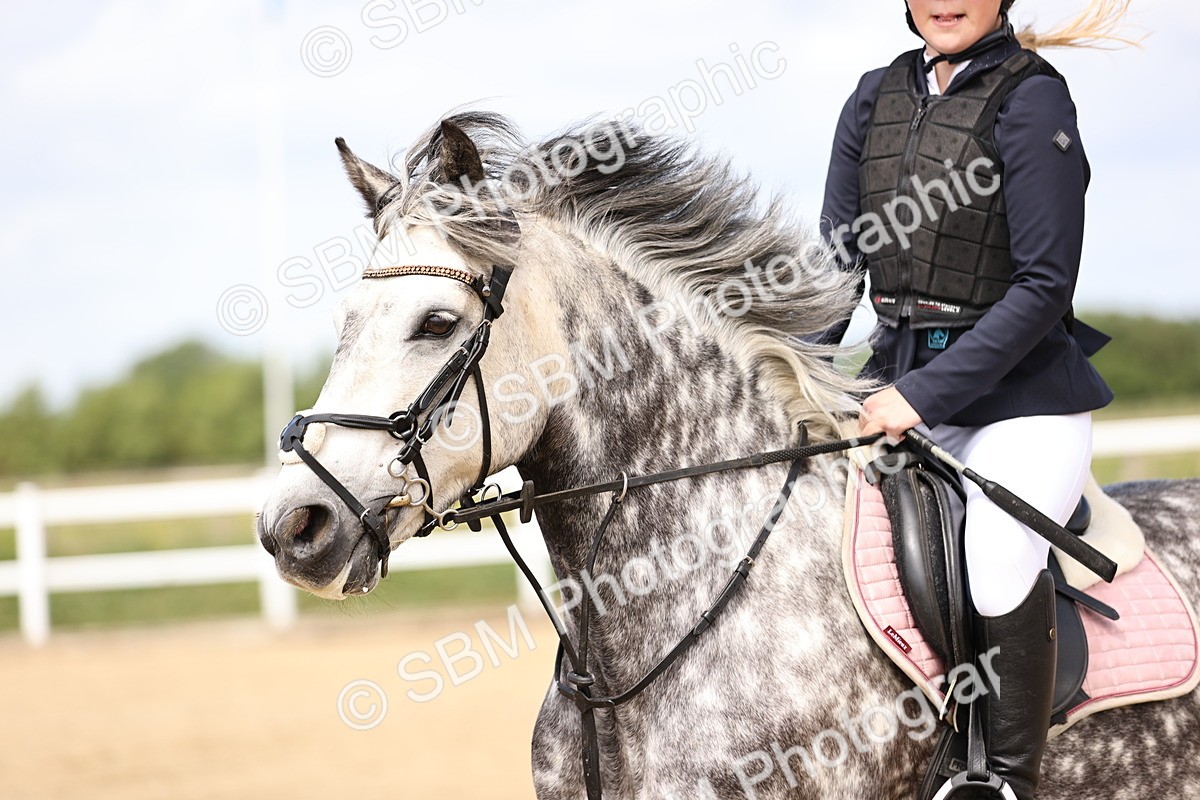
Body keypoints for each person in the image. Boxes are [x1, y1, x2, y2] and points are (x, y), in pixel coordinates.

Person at [818, 1, 1137, 797]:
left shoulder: (1033, 99)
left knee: (995, 556)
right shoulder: (871, 96)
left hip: (1022, 405)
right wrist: (804, 375)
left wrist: (920, 396)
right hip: (891, 389)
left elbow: (1043, 287)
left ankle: (1006, 777)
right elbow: (834, 271)